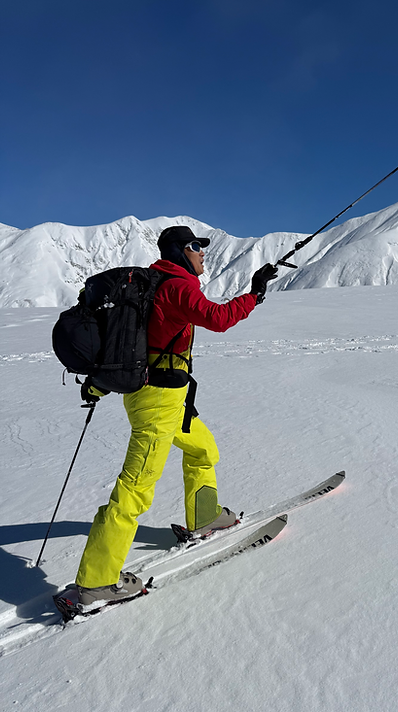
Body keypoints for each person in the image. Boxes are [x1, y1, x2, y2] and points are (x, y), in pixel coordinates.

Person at [74, 225, 278, 606]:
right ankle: (96, 582)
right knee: (134, 489)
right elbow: (218, 318)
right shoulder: (177, 286)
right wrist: (254, 294)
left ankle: (205, 516)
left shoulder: (152, 282)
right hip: (158, 404)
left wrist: (99, 385)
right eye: (197, 246)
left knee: (203, 448)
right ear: (180, 250)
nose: (202, 252)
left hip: (165, 398)